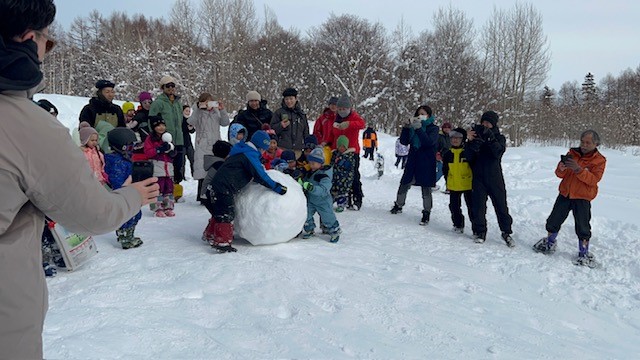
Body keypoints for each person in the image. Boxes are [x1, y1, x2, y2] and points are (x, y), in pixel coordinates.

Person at [0, 1, 159, 356]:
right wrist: (132, 195)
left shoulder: (117, 110)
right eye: (47, 42)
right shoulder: (26, 125)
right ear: (28, 39)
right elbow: (92, 213)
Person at [533, 130, 606, 267]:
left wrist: (578, 170)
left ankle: (583, 253)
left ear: (596, 144)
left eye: (588, 143)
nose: (584, 145)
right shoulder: (572, 153)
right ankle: (549, 242)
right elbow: (559, 174)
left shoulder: (599, 160)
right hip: (565, 194)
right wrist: (561, 168)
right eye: (582, 142)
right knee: (553, 220)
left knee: (583, 226)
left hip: (583, 197)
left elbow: (594, 179)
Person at [207, 131, 288, 253]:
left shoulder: (242, 150)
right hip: (224, 187)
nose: (263, 153)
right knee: (226, 213)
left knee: (219, 211)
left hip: (218, 185)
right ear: (260, 147)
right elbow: (260, 175)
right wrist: (276, 187)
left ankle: (210, 235)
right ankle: (222, 242)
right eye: (263, 150)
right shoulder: (249, 155)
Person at [466, 110, 514, 247]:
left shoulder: (499, 137)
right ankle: (480, 231)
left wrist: (490, 139)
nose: (485, 125)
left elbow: (498, 153)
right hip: (478, 176)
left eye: (488, 123)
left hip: (495, 176)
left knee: (501, 205)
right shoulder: (475, 136)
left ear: (493, 124)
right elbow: (468, 157)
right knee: (478, 206)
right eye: (484, 122)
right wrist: (470, 143)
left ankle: (506, 231)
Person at [389, 105, 438, 226]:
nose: (421, 116)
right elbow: (404, 142)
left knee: (426, 187)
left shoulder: (434, 128)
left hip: (426, 160)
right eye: (419, 114)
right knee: (405, 183)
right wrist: (406, 128)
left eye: (423, 114)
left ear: (428, 116)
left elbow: (428, 142)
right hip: (413, 158)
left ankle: (426, 212)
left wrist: (419, 129)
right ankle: (398, 204)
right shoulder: (412, 128)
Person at [104, 128, 144, 249]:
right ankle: (125, 237)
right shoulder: (117, 162)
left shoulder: (125, 159)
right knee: (128, 215)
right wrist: (125, 189)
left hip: (129, 191)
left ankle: (128, 234)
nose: (132, 150)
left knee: (136, 213)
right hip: (123, 193)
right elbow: (117, 180)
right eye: (129, 147)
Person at [188, 92, 230, 202]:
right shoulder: (198, 112)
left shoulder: (216, 111)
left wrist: (222, 110)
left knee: (215, 168)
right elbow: (190, 122)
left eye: (210, 101)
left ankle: (213, 192)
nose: (208, 104)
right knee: (202, 169)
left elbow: (225, 123)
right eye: (205, 101)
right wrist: (198, 109)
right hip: (202, 142)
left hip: (216, 143)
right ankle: (201, 194)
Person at [331, 95, 366, 210]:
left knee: (354, 175)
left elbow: (362, 124)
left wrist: (349, 124)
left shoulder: (354, 116)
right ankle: (342, 197)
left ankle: (357, 197)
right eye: (339, 109)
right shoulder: (336, 119)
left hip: (352, 151)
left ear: (349, 108)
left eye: (344, 109)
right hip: (339, 151)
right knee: (339, 175)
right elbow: (334, 134)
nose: (342, 111)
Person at [299, 148, 341, 243]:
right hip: (311, 200)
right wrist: (302, 182)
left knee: (327, 217)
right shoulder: (311, 171)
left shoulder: (324, 175)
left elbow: (323, 189)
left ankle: (334, 230)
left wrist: (311, 188)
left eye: (314, 163)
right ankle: (309, 228)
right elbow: (307, 181)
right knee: (306, 214)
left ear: (320, 163)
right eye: (310, 162)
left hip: (323, 201)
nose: (311, 165)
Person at [149, 75, 185, 184]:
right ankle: (165, 191)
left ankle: (176, 191)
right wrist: (157, 138)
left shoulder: (178, 102)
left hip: (179, 139)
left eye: (172, 85)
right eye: (167, 86)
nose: (170, 88)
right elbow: (152, 120)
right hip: (165, 140)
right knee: (167, 167)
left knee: (178, 166)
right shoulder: (158, 103)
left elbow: (181, 121)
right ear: (162, 88)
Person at [79, 79, 126, 152]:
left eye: (112, 92)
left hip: (113, 149)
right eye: (107, 92)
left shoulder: (117, 109)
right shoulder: (89, 109)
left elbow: (122, 129)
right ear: (99, 93)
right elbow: (84, 131)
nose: (110, 95)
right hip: (94, 149)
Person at [144, 115, 178, 217]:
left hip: (168, 167)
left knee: (169, 188)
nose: (161, 128)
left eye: (163, 125)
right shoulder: (150, 138)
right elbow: (148, 152)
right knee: (158, 188)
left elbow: (173, 150)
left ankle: (168, 207)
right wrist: (159, 149)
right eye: (158, 125)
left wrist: (172, 152)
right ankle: (157, 207)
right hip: (157, 166)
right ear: (154, 127)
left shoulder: (168, 137)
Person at [442, 128, 473, 234]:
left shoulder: (467, 152)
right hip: (454, 185)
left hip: (468, 184)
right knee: (454, 207)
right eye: (453, 138)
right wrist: (448, 181)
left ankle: (476, 227)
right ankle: (458, 224)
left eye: (458, 138)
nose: (455, 140)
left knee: (472, 207)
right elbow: (445, 170)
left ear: (462, 139)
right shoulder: (447, 154)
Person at [201, 140, 233, 242]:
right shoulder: (220, 165)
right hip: (209, 193)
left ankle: (209, 234)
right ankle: (220, 237)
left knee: (216, 213)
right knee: (222, 213)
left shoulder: (216, 163)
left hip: (206, 193)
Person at [271, 87, 309, 157]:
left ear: (296, 98)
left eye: (291, 98)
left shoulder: (301, 114)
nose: (289, 101)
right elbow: (272, 130)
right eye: (286, 99)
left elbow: (306, 131)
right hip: (282, 148)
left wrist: (307, 145)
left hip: (298, 149)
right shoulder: (279, 113)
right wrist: (280, 125)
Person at [330, 135, 356, 212]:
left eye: (343, 146)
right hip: (335, 177)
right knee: (333, 190)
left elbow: (349, 167)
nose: (341, 148)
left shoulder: (349, 156)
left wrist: (341, 163)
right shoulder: (335, 154)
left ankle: (341, 204)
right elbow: (332, 164)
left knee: (342, 192)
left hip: (344, 179)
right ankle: (330, 202)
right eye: (340, 146)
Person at [79, 121, 109, 186]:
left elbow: (102, 163)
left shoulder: (98, 152)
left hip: (99, 179)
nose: (95, 142)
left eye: (96, 140)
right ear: (85, 140)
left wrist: (103, 172)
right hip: (87, 181)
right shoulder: (82, 153)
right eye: (92, 140)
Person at [313, 96, 338, 164]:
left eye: (335, 105)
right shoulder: (323, 118)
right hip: (324, 146)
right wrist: (321, 141)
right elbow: (316, 131)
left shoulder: (340, 118)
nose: (333, 106)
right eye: (332, 104)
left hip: (337, 147)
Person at [131, 91, 153, 161]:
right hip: (142, 145)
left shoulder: (154, 114)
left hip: (154, 145)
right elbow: (132, 128)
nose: (147, 104)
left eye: (149, 102)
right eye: (144, 103)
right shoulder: (139, 115)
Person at [436, 121, 452, 190]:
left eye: (448, 128)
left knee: (449, 173)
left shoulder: (450, 137)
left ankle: (449, 187)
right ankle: (431, 183)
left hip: (449, 157)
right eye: (445, 128)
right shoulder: (439, 136)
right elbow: (436, 145)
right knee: (441, 171)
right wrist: (437, 153)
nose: (447, 129)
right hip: (441, 156)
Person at [181, 105, 196, 177]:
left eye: (189, 111)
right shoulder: (180, 119)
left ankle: (194, 174)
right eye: (186, 111)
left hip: (188, 142)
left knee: (193, 159)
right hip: (181, 143)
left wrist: (191, 129)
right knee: (182, 162)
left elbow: (192, 131)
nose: (188, 112)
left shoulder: (190, 120)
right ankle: (181, 176)